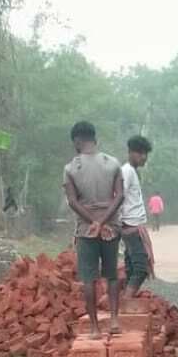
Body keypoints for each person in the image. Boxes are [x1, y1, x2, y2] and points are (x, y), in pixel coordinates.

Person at [63, 121, 124, 338]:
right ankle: (115, 320)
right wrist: (104, 221)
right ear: (94, 138)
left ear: (77, 140)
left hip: (86, 230)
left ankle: (95, 328)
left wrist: (93, 222)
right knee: (112, 276)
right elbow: (120, 196)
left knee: (89, 278)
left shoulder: (71, 168)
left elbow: (72, 201)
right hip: (111, 228)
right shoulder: (113, 163)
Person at [120, 135, 157, 301]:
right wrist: (119, 223)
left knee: (131, 267)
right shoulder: (127, 171)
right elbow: (119, 197)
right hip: (131, 226)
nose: (144, 157)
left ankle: (126, 307)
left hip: (133, 226)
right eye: (141, 153)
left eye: (146, 154)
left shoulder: (132, 172)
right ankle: (126, 302)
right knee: (141, 268)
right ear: (131, 152)